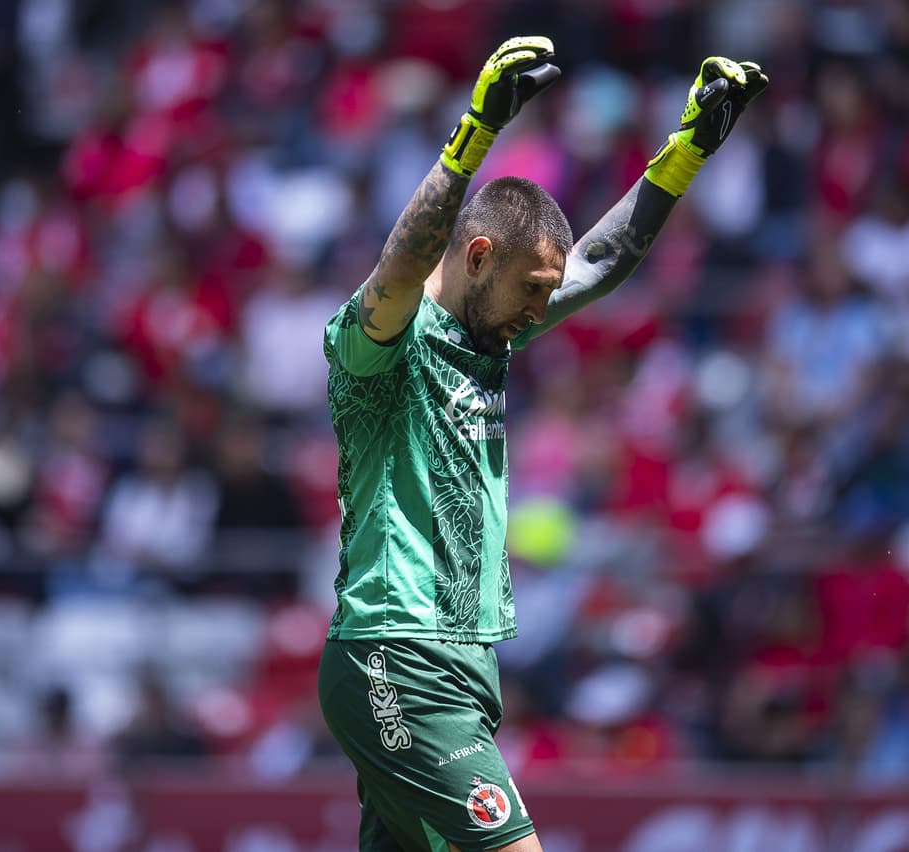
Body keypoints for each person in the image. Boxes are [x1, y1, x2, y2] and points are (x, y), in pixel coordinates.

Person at [315, 36, 767, 852]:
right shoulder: (379, 343)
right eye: (530, 290)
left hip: (465, 669)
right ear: (479, 256)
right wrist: (475, 134)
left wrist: (689, 148)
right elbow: (401, 263)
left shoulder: (491, 339)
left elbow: (601, 260)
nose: (540, 312)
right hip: (396, 656)